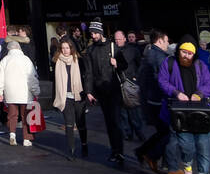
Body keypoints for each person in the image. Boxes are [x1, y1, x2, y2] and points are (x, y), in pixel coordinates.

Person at [159, 39, 210, 174]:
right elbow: (162, 81)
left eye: (190, 53)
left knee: (203, 147)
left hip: (201, 112)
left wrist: (200, 94)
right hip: (180, 112)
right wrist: (176, 93)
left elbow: (209, 84)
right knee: (186, 146)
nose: (187, 56)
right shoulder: (169, 63)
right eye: (184, 52)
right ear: (178, 51)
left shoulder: (201, 66)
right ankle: (188, 169)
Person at [82, 19, 124, 164]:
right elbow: (88, 73)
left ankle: (119, 151)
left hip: (114, 89)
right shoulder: (90, 50)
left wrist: (117, 63)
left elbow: (124, 64)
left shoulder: (112, 47)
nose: (92, 35)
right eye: (91, 33)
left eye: (94, 33)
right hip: (101, 91)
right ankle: (115, 150)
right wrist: (88, 91)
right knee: (109, 122)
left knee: (116, 121)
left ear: (100, 32)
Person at [136, 28, 172, 173]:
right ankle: (150, 155)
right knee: (168, 133)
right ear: (160, 40)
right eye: (167, 41)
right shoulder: (158, 57)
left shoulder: (150, 54)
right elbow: (162, 80)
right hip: (157, 100)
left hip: (151, 99)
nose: (168, 44)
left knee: (162, 132)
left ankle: (144, 152)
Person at [0, 38, 39, 146]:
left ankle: (12, 135)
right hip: (25, 92)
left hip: (10, 92)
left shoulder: (5, 60)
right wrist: (36, 90)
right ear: (19, 48)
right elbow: (32, 77)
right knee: (25, 116)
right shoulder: (26, 60)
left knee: (12, 115)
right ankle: (26, 139)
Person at [53, 35, 88, 160]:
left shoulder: (79, 60)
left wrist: (88, 93)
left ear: (71, 48)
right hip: (65, 97)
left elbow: (86, 78)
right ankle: (71, 150)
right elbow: (55, 84)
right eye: (63, 48)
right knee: (68, 124)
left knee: (81, 123)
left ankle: (84, 144)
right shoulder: (57, 62)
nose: (65, 50)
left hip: (79, 96)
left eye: (67, 48)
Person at [113, 28, 143, 142]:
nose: (117, 41)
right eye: (116, 39)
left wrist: (136, 76)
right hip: (118, 82)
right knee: (123, 112)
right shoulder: (112, 50)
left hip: (131, 81)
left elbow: (140, 63)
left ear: (124, 39)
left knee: (134, 109)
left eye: (119, 39)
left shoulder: (132, 49)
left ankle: (139, 132)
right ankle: (128, 133)